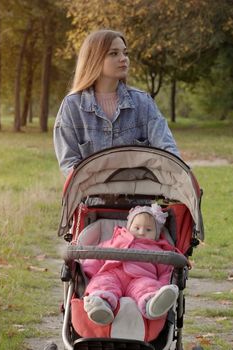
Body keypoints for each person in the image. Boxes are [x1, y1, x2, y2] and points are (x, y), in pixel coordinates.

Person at [53, 29, 181, 177]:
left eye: (125, 53)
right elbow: (69, 164)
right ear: (94, 59)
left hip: (139, 196)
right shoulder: (72, 106)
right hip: (91, 199)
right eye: (114, 53)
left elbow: (168, 151)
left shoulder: (143, 102)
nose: (123, 59)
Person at [81, 204, 180, 326]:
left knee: (148, 287)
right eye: (137, 227)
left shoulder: (158, 249)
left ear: (157, 234)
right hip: (113, 273)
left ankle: (153, 304)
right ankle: (101, 305)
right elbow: (97, 255)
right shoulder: (116, 240)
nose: (142, 232)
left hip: (142, 277)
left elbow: (167, 271)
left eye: (148, 230)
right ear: (128, 227)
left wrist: (164, 286)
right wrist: (88, 272)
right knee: (103, 283)